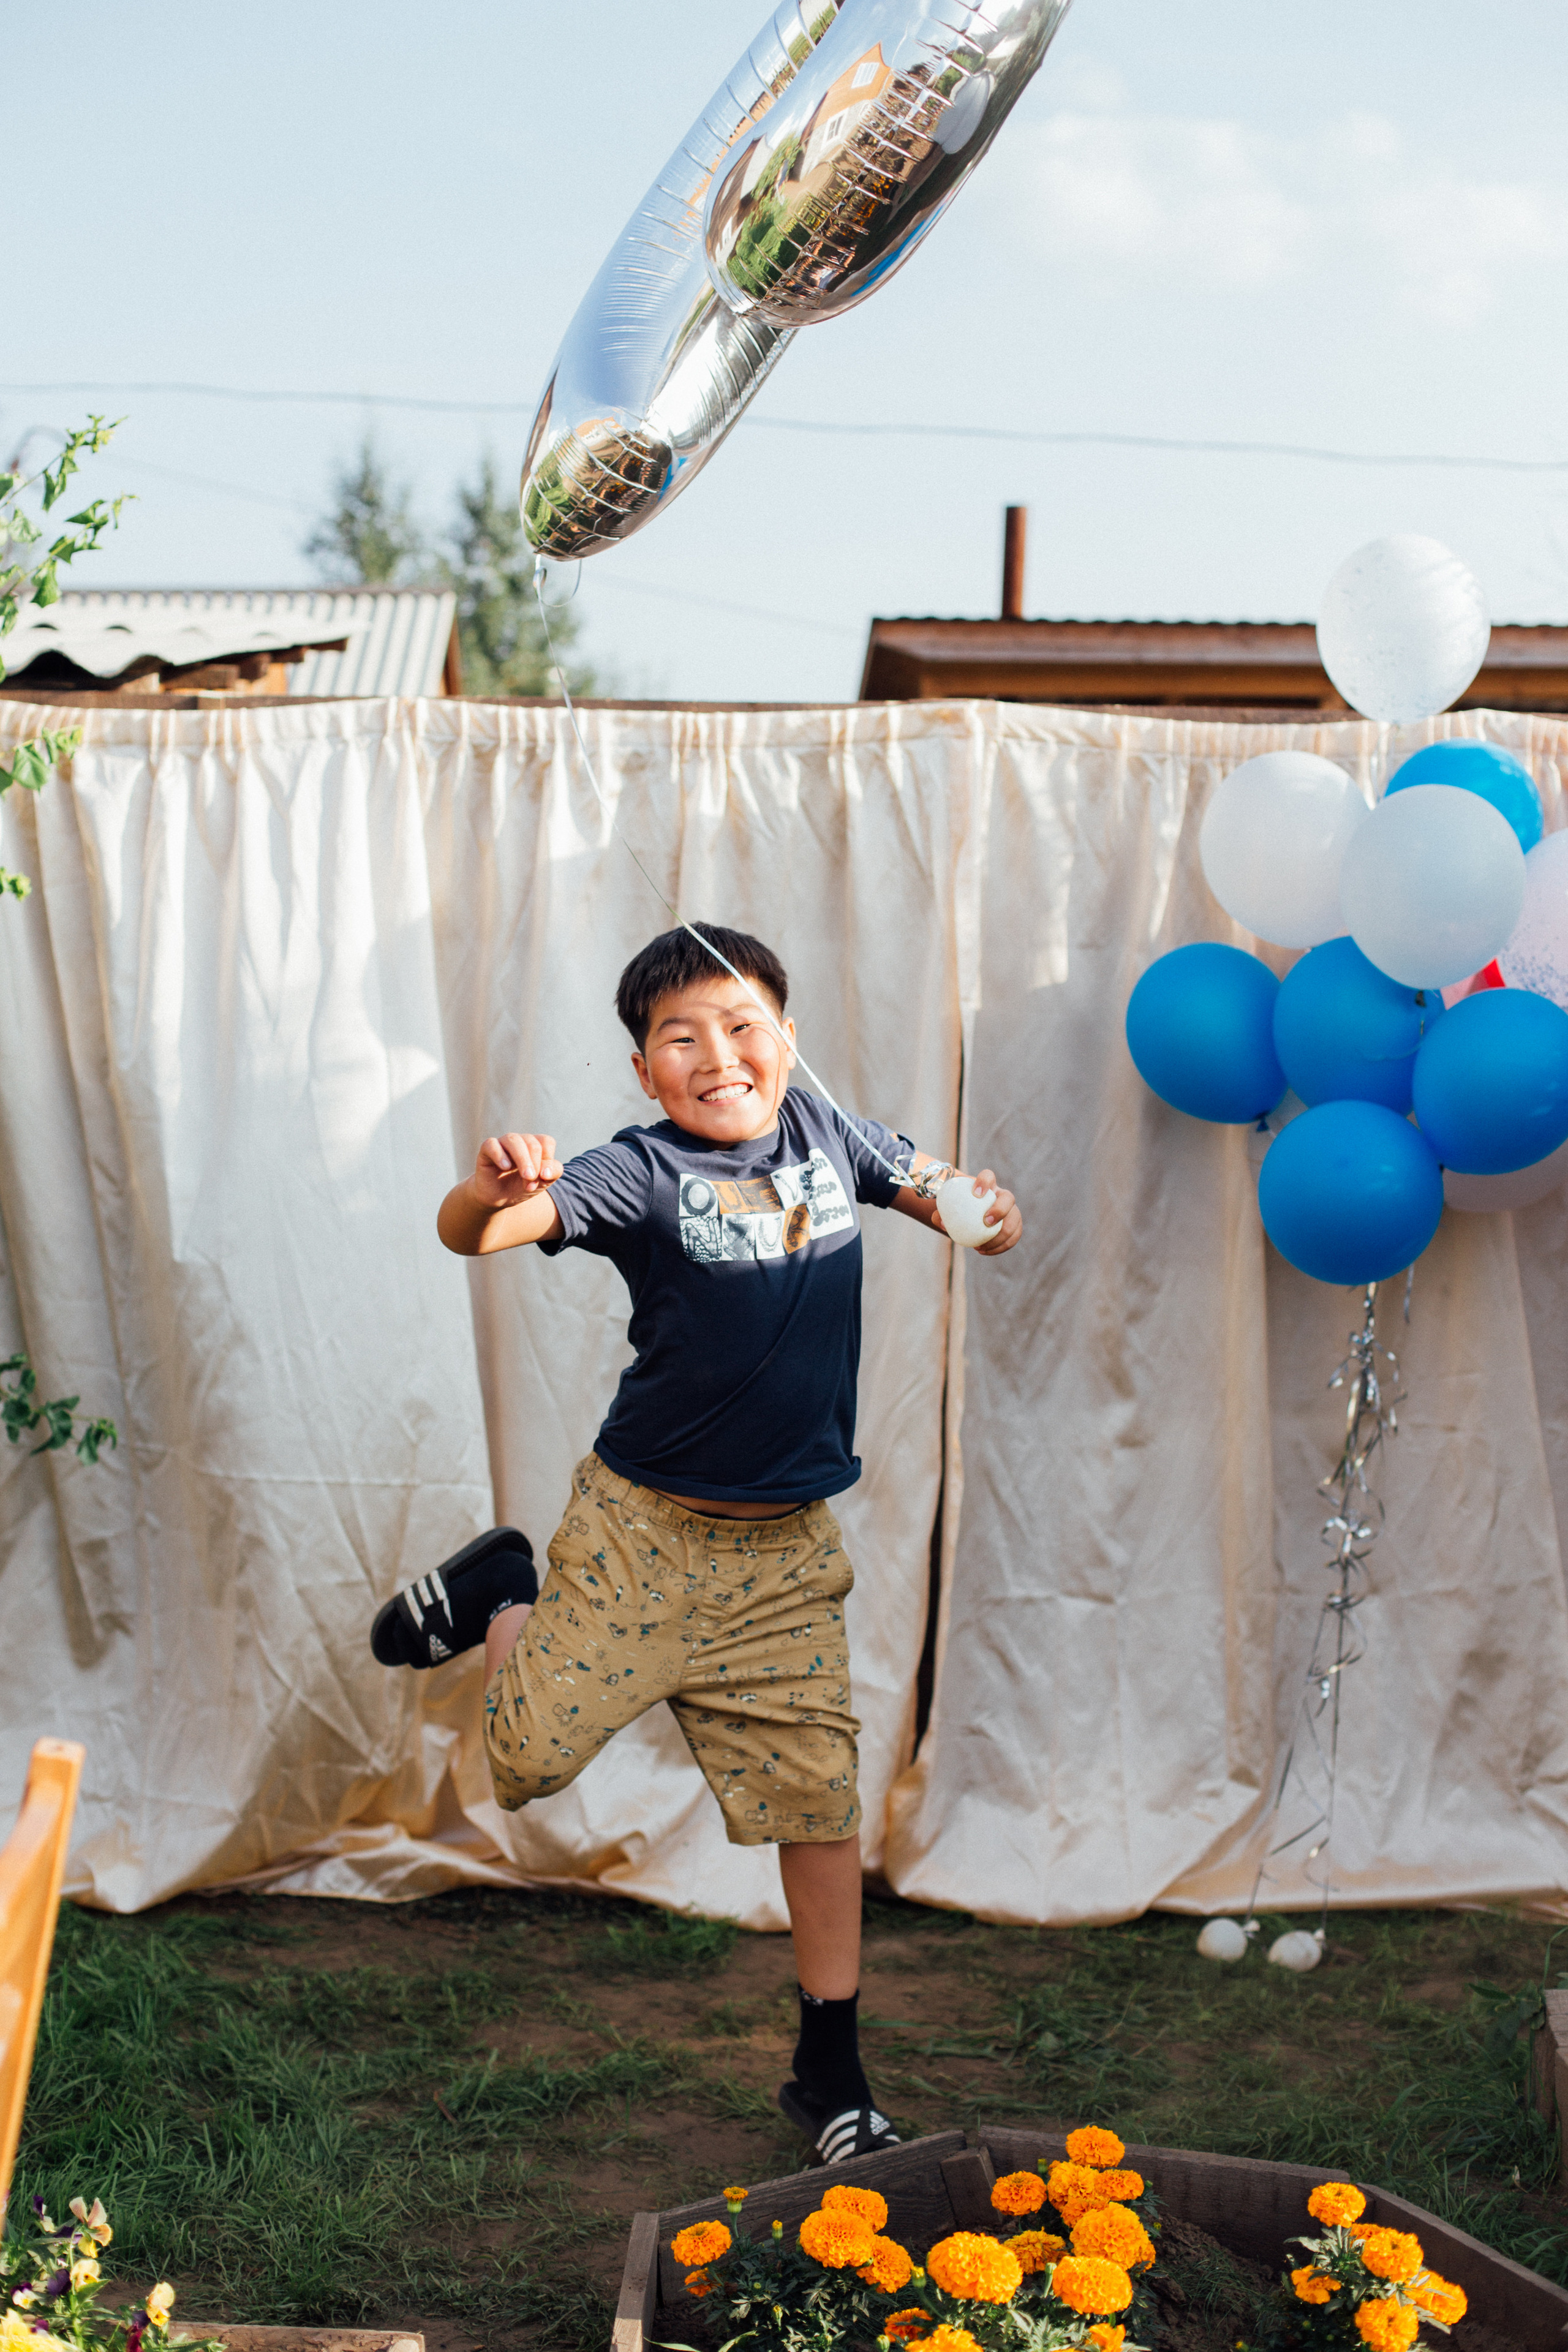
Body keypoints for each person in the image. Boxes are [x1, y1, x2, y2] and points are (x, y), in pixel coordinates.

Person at [371, 923, 1022, 2163]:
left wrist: (984, 1212)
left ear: (787, 1040)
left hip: (784, 1558)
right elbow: (477, 1236)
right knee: (525, 1764)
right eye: (680, 1038)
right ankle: (504, 1592)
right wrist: (488, 1193)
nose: (716, 1055)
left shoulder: (833, 1136)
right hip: (643, 1535)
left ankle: (828, 2076)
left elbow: (955, 1199)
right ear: (644, 1071)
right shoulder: (641, 1170)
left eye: (741, 1026)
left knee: (817, 1803)